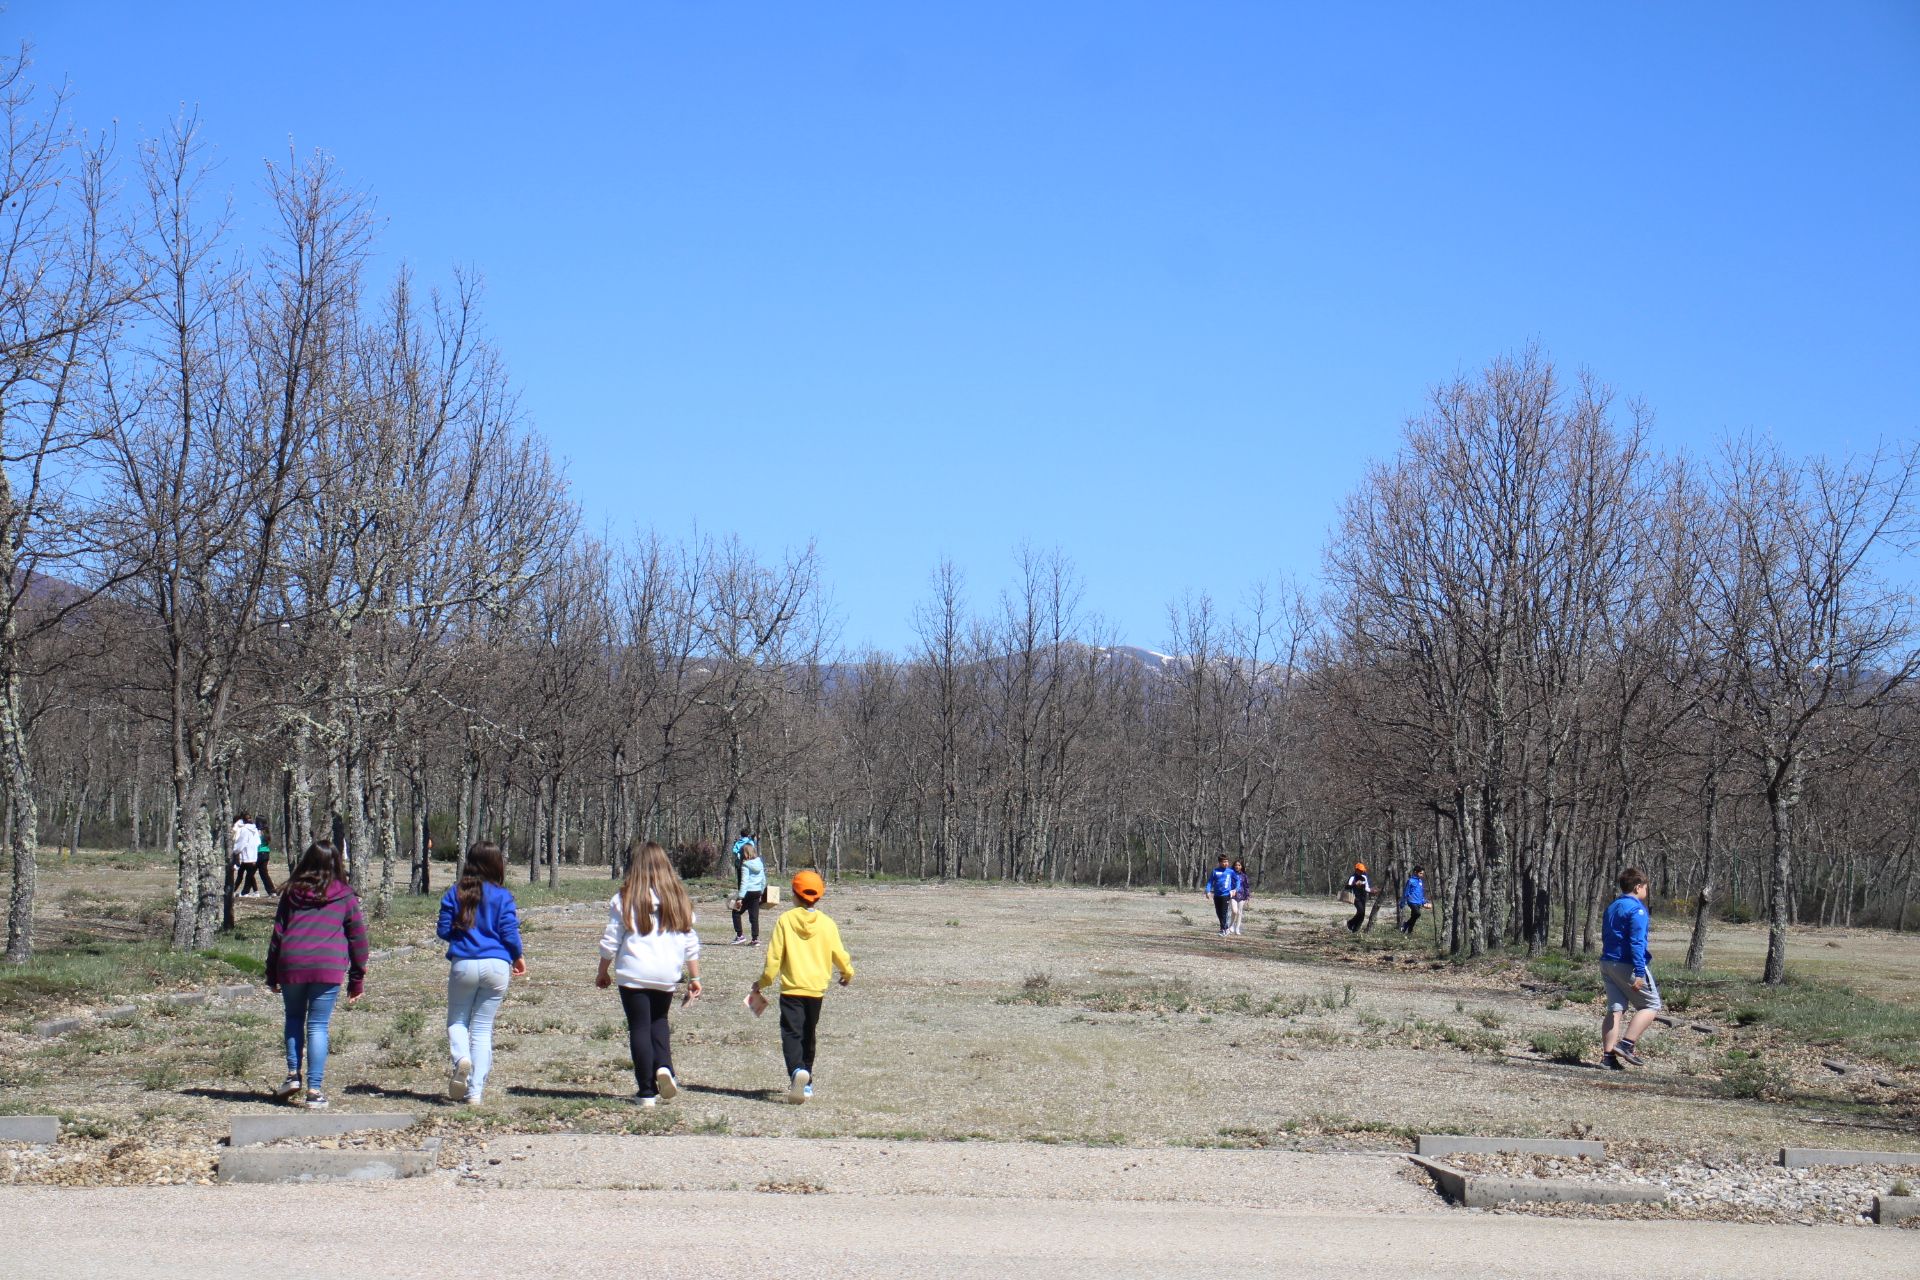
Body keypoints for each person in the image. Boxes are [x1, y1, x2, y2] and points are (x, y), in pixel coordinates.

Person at [597, 840, 702, 1108]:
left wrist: (603, 970)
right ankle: (665, 1067)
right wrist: (694, 977)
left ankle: (646, 1091)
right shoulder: (679, 898)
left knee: (639, 1027)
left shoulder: (625, 897)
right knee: (659, 1022)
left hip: (633, 971)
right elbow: (690, 942)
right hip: (666, 973)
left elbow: (611, 939)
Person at [264, 840, 367, 1110]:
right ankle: (314, 1090)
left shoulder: (291, 893)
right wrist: (357, 980)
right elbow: (358, 938)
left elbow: (278, 934)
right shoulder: (344, 895)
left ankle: (292, 1075)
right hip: (327, 966)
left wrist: (271, 972)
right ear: (337, 863)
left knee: (294, 1017)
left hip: (292, 962)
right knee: (318, 1025)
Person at [752, 869, 853, 1104]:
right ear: (819, 896)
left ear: (794, 894)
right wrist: (847, 973)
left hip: (791, 990)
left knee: (791, 1034)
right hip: (816, 990)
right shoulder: (827, 924)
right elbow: (839, 953)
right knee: (809, 1034)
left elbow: (774, 958)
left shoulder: (785, 920)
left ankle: (797, 1071)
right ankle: (807, 1083)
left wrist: (763, 982)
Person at [437, 840, 525, 1105]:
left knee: (457, 1021)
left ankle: (461, 1058)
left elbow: (443, 930)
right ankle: (475, 1092)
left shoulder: (455, 892)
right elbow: (509, 932)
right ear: (497, 864)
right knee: (483, 1028)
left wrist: (462, 936)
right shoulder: (503, 896)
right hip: (497, 965)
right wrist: (518, 956)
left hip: (463, 963)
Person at [1600, 867, 1661, 1070]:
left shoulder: (1613, 906)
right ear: (1638, 887)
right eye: (1645, 887)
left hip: (1607, 962)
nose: (1646, 891)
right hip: (1627, 963)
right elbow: (1637, 942)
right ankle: (1626, 1044)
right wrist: (1640, 971)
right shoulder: (1637, 909)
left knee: (1615, 1009)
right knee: (1651, 1005)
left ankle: (1608, 1058)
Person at [732, 840, 767, 945]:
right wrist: (761, 892)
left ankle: (740, 936)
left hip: (747, 892)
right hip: (757, 892)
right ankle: (755, 939)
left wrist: (740, 897)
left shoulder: (745, 865)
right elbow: (763, 880)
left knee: (736, 912)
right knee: (754, 916)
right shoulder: (760, 863)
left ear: (745, 853)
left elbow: (744, 882)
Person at [1204, 854, 1237, 936]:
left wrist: (1235, 889)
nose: (1226, 863)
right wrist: (1207, 891)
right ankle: (1223, 928)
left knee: (1223, 912)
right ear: (1219, 862)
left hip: (1226, 895)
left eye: (1227, 862)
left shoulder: (1231, 872)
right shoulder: (1215, 871)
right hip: (1217, 895)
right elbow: (1210, 882)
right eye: (1223, 862)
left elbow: (1237, 881)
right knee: (1218, 913)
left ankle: (1224, 929)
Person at [1344, 862, 1371, 933]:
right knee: (1361, 912)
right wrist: (1355, 884)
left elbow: (1367, 888)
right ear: (1356, 870)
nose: (1362, 872)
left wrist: (1371, 891)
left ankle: (1355, 930)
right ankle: (1350, 923)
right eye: (1360, 870)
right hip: (1355, 897)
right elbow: (1347, 886)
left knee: (1362, 915)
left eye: (1363, 871)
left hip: (1363, 897)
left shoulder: (1364, 877)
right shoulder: (1352, 877)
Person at [1400, 865, 1427, 935]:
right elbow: (1406, 892)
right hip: (1411, 901)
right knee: (1417, 914)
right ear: (1415, 872)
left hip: (1418, 902)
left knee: (1413, 917)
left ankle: (1409, 931)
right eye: (1420, 873)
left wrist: (1424, 901)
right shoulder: (1410, 881)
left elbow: (1421, 892)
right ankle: (1405, 924)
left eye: (1422, 874)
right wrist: (1402, 902)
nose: (1422, 875)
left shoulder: (1420, 881)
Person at [1228, 858, 1250, 935]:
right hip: (1233, 895)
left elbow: (1246, 887)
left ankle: (1237, 928)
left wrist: (1247, 897)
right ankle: (1231, 926)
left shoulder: (1244, 876)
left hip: (1242, 896)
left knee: (1239, 912)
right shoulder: (1230, 874)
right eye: (1236, 865)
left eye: (1239, 865)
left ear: (1241, 866)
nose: (1237, 866)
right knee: (1234, 911)